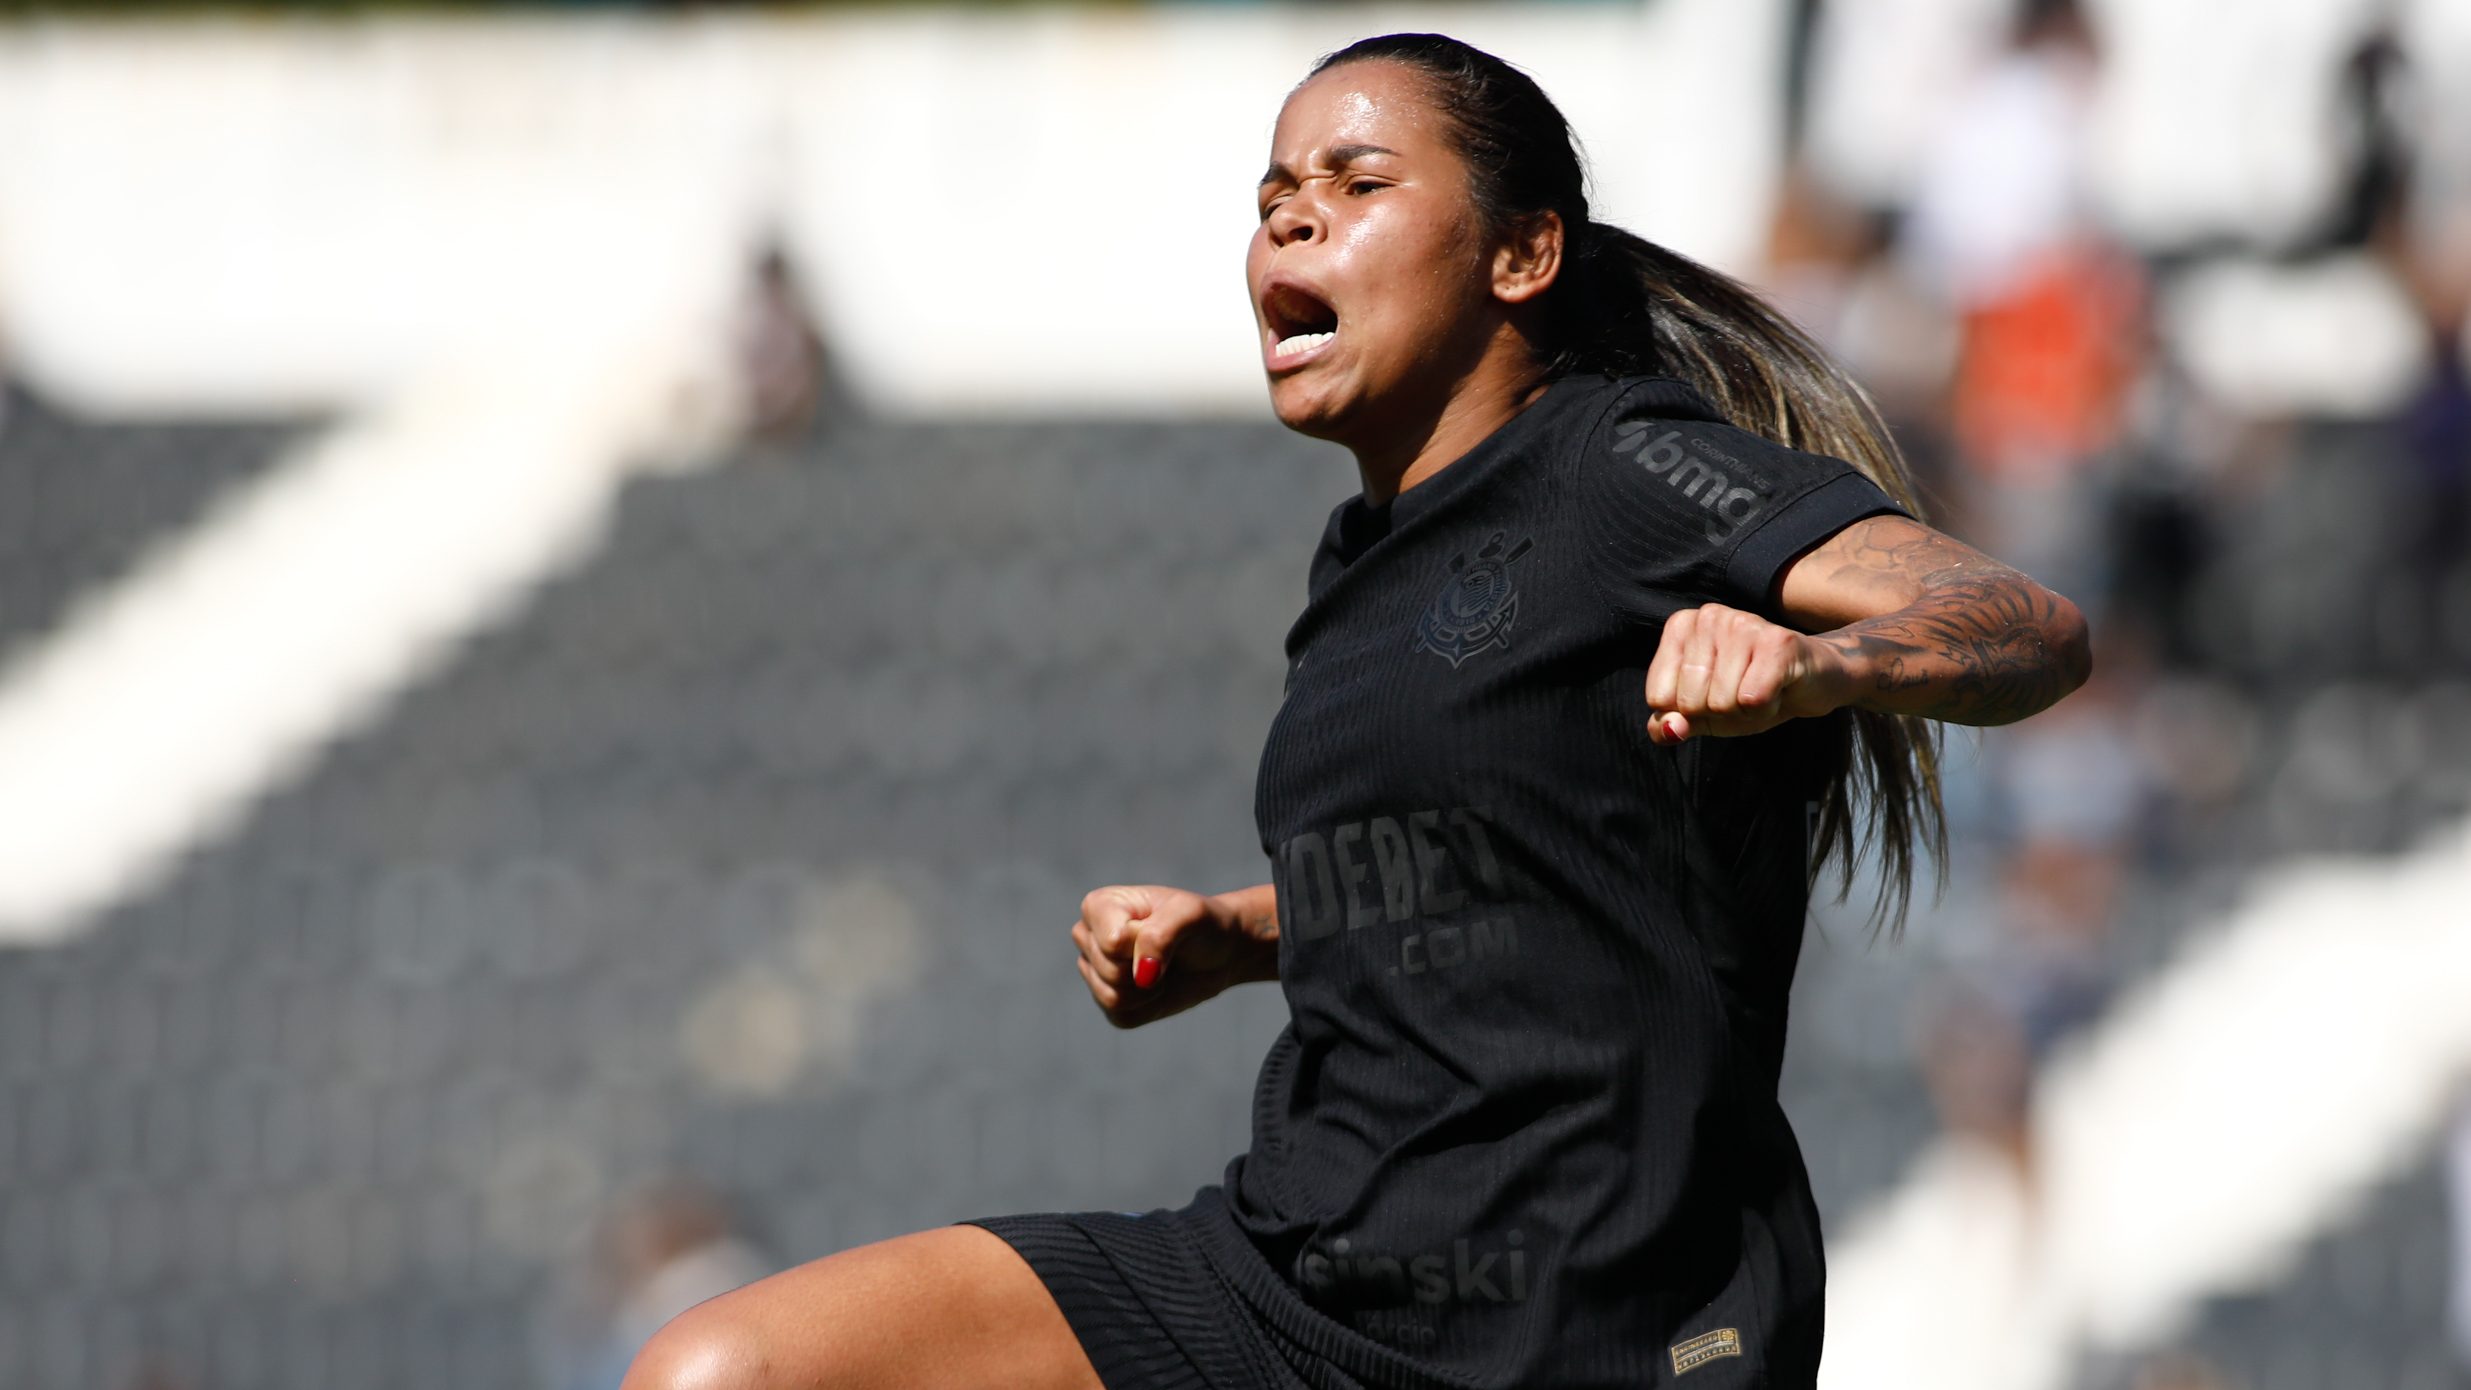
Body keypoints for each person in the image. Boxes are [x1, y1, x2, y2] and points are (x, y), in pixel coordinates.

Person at [620, 31, 2090, 1390]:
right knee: (723, 1367)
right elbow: (1501, 858)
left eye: (1354, 181)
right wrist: (1243, 930)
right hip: (1295, 1285)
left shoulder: (1623, 468)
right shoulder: (1360, 568)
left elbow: (2028, 625)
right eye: (1271, 195)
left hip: (1586, 1332)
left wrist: (1820, 667)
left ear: (1522, 254)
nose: (1289, 219)